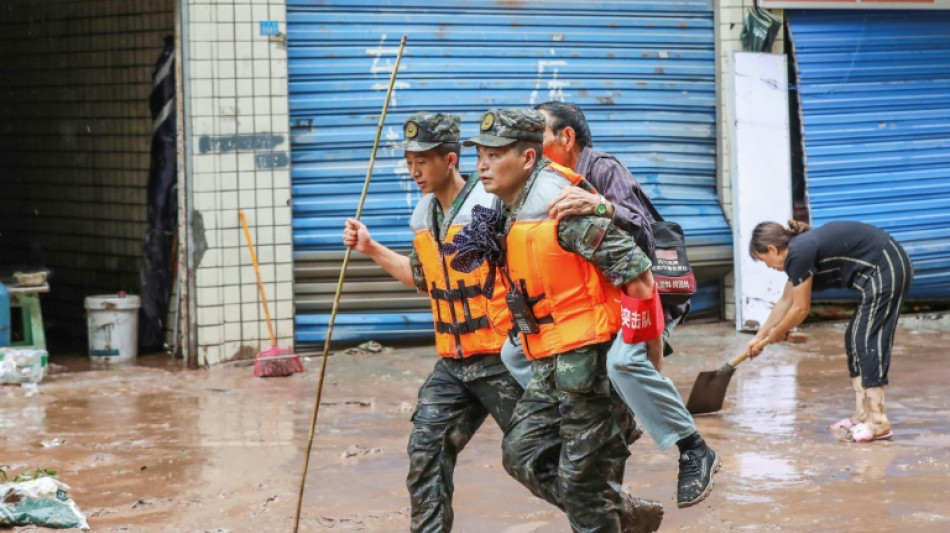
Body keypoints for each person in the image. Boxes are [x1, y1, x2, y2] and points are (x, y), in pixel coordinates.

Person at [497, 101, 719, 508]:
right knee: (513, 352)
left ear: (566, 138)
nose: (528, 147)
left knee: (623, 362)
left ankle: (694, 448)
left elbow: (641, 228)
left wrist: (598, 204)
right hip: (597, 299)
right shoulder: (536, 184)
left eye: (538, 136)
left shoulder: (601, 169)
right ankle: (589, 415)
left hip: (645, 289)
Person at [461, 107, 665, 533]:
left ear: (529, 158)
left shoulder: (564, 207)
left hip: (595, 363)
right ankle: (620, 511)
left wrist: (647, 368)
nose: (482, 164)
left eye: (495, 153)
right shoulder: (506, 213)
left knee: (584, 483)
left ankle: (606, 510)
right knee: (521, 453)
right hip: (550, 363)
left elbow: (640, 275)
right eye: (479, 153)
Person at [342, 112, 526, 532]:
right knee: (425, 450)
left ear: (449, 159)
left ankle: (612, 512)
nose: (413, 172)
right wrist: (370, 248)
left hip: (501, 358)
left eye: (422, 162)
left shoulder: (491, 205)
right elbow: (424, 280)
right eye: (409, 162)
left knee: (534, 460)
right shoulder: (425, 215)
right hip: (454, 363)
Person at [747, 219, 913, 443]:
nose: (769, 267)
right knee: (853, 339)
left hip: (886, 268)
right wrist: (760, 335)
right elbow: (785, 301)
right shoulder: (799, 251)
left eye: (765, 261)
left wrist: (778, 332)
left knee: (866, 340)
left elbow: (800, 309)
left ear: (772, 249)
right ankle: (863, 415)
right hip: (879, 271)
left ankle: (878, 421)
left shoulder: (798, 251)